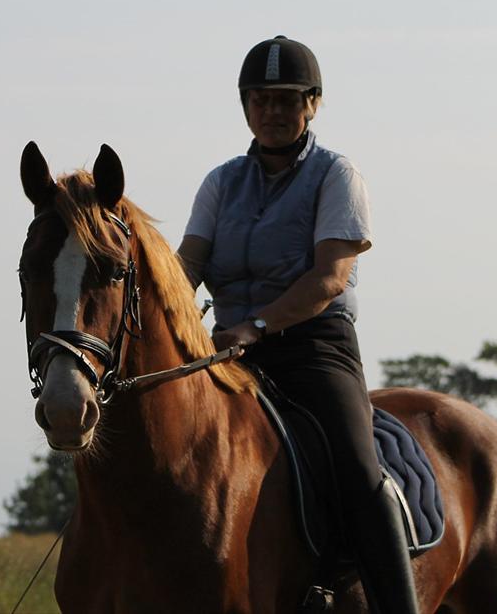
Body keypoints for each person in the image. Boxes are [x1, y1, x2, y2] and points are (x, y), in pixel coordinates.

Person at [176, 35, 419, 614]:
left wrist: (256, 325)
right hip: (229, 353)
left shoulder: (336, 175)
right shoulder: (220, 183)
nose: (275, 112)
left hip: (313, 349)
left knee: (360, 471)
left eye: (288, 100)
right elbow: (186, 267)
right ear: (246, 107)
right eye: (262, 100)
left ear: (312, 105)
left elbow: (329, 277)